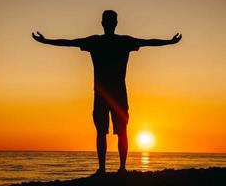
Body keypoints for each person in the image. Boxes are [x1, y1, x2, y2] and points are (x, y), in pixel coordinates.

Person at [32, 10, 182, 175]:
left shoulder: (98, 42)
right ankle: (119, 168)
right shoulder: (121, 41)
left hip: (104, 94)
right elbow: (148, 42)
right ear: (115, 23)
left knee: (106, 132)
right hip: (113, 94)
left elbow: (69, 42)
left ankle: (107, 169)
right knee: (117, 131)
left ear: (103, 23)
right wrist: (169, 42)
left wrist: (45, 41)